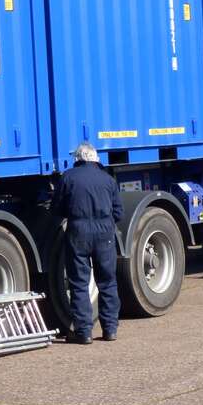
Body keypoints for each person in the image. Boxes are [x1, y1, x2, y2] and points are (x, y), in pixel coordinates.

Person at [51, 142, 123, 344]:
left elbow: (57, 208)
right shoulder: (108, 180)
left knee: (79, 283)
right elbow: (119, 212)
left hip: (78, 232)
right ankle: (110, 330)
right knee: (107, 281)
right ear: (95, 159)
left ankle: (84, 332)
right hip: (104, 233)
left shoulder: (68, 177)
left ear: (78, 159)